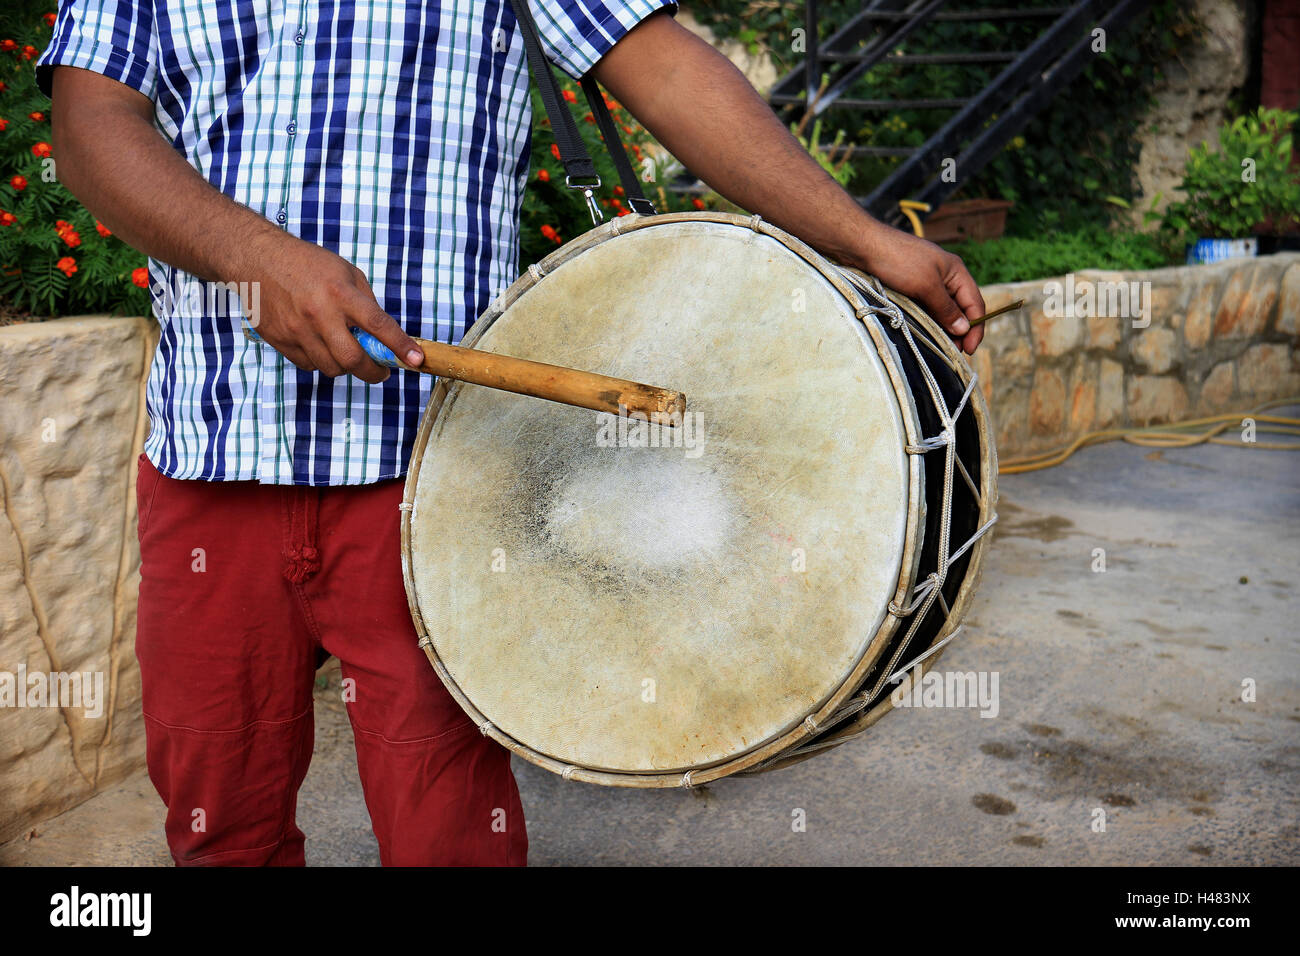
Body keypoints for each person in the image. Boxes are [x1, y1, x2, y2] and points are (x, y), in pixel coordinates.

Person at [39, 0, 985, 867]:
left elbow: (662, 68)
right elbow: (90, 126)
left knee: (449, 836)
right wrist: (255, 257)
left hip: (437, 473)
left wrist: (867, 240)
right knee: (218, 828)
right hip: (212, 458)